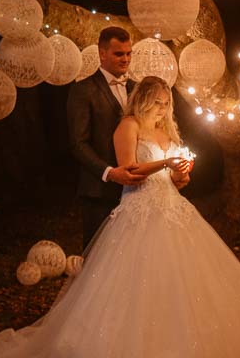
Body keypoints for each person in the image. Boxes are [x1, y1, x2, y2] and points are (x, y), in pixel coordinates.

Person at [0, 76, 240, 358]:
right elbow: (129, 170)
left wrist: (181, 172)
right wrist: (164, 163)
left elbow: (175, 180)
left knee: (186, 283)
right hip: (138, 210)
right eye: (158, 102)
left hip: (173, 209)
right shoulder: (129, 126)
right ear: (143, 100)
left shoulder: (166, 130)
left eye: (167, 102)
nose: (163, 108)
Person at [67, 27, 192, 249]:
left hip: (142, 189)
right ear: (102, 53)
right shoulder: (83, 90)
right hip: (100, 189)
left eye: (129, 53)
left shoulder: (139, 88)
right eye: (118, 54)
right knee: (100, 260)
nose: (125, 59)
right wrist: (110, 172)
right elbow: (78, 143)